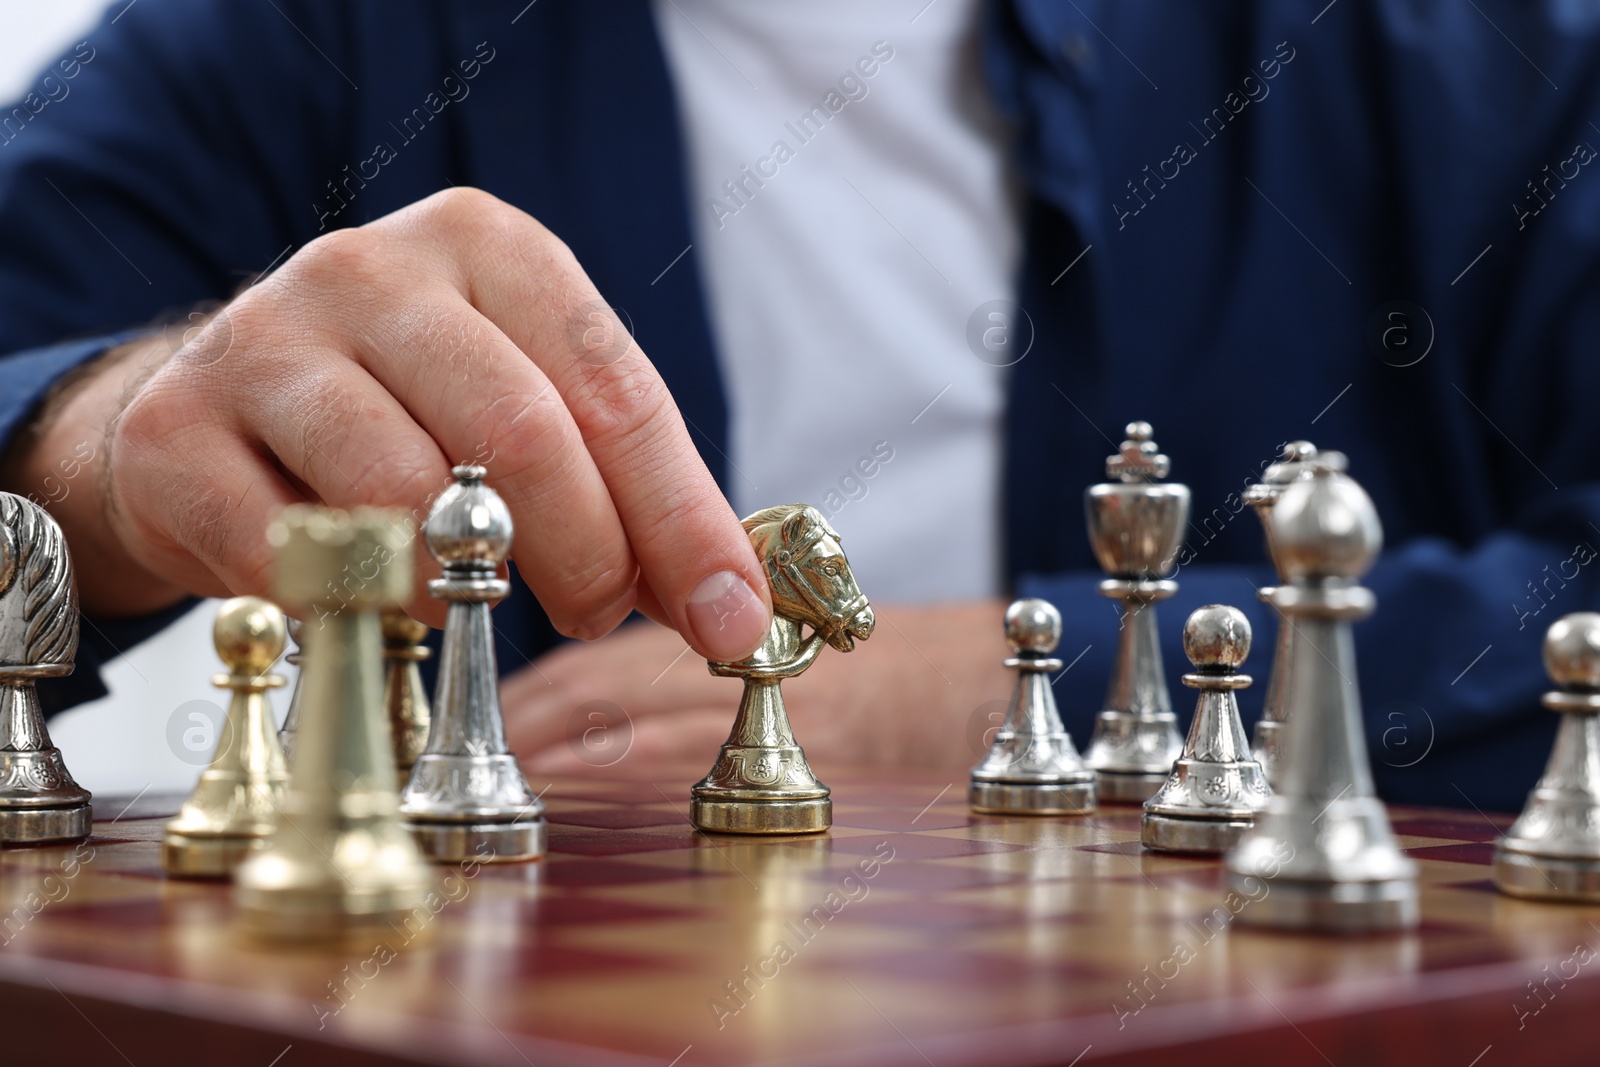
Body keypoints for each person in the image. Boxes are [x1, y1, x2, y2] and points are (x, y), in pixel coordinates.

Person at [1, 0, 1596, 813]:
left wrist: (1041, 685)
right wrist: (99, 459)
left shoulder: (1476, 59)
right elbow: (50, 387)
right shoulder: (307, 33)